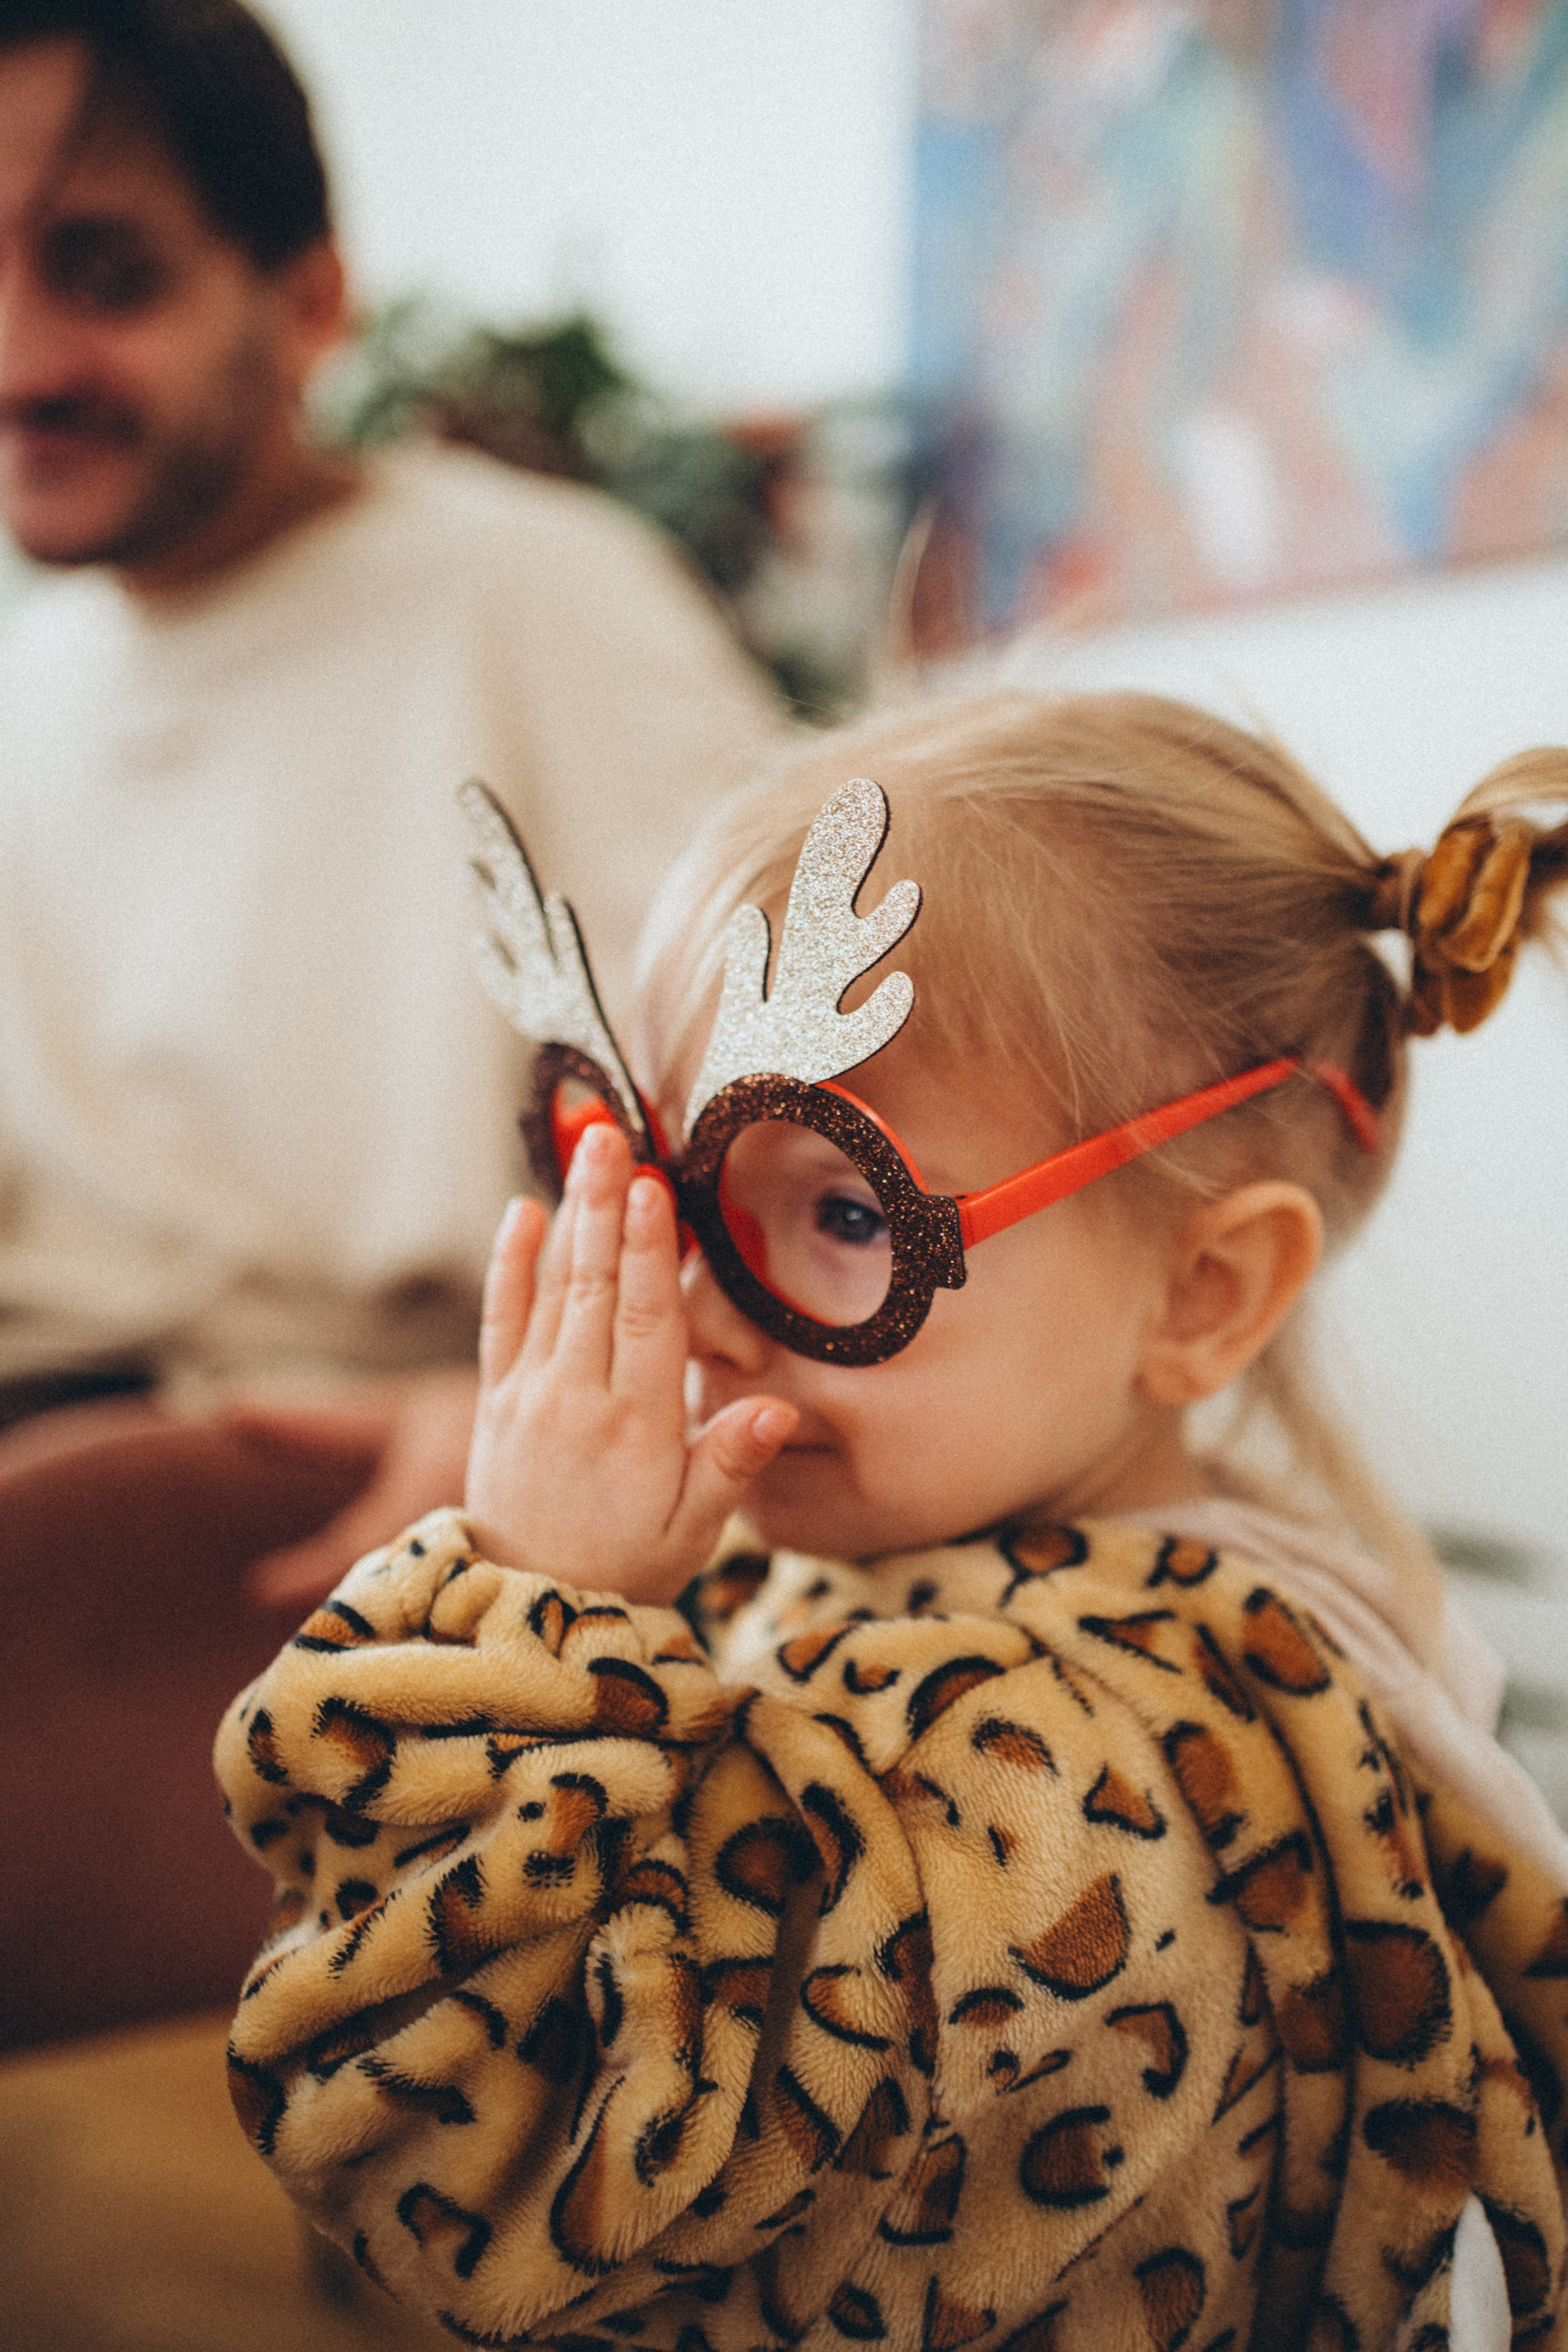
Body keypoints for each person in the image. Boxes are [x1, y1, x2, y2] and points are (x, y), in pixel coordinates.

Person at [216, 691, 1568, 2351]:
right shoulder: (889, 1554)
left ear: (1202, 1290)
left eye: (843, 1209)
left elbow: (515, 2173)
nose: (697, 1311)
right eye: (655, 1181)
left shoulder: (1067, 1770)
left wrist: (531, 1621)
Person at [0, 0, 784, 1597]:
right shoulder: (28, 675)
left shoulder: (538, 592)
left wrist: (520, 1395)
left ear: (309, 302)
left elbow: (812, 1122)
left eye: (107, 273)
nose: (18, 360)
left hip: (365, 1503)